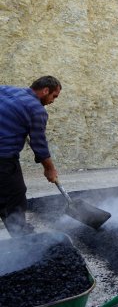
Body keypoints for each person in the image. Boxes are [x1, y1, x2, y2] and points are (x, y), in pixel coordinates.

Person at [0, 76, 62, 237]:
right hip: (3, 159)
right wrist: (50, 169)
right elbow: (39, 145)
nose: (53, 101)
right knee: (15, 196)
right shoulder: (36, 110)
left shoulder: (5, 89)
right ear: (45, 90)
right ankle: (24, 241)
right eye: (54, 96)